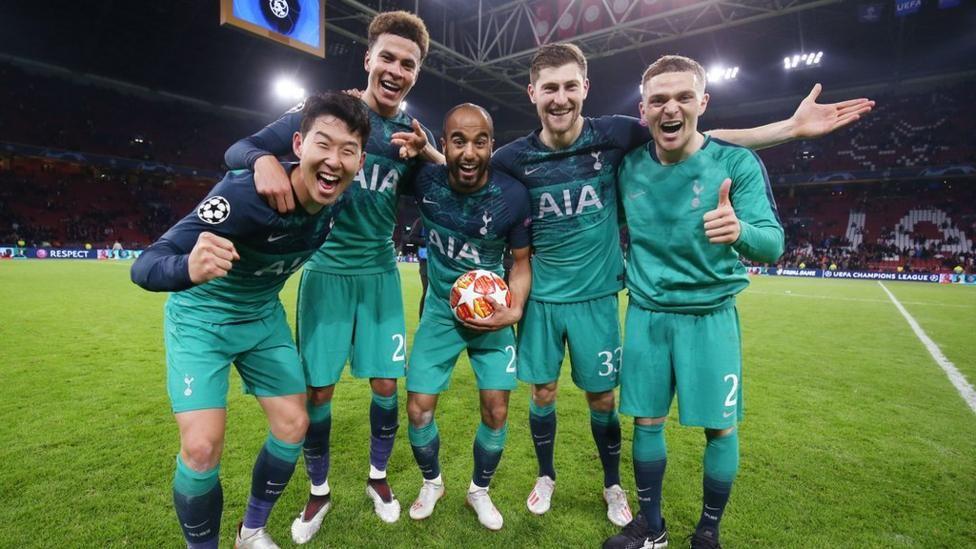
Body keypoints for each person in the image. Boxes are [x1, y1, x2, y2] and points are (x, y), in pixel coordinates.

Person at [490, 42, 872, 526]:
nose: (560, 97)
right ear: (532, 93)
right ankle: (568, 486)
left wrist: (789, 130)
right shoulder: (524, 159)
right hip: (568, 302)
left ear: (585, 89)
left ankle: (629, 494)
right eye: (550, 88)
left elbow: (704, 140)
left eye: (570, 86)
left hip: (615, 300)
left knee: (622, 404)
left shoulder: (614, 137)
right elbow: (468, 167)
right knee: (558, 397)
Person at [222, 10, 440, 541]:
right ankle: (317, 492)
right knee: (318, 393)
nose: (395, 69)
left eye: (407, 64)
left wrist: (429, 154)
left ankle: (379, 478)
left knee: (386, 384)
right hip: (325, 273)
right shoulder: (329, 114)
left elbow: (454, 187)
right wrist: (261, 162)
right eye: (387, 57)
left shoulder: (412, 135)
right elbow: (238, 148)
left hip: (381, 275)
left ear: (416, 73)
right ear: (368, 59)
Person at [131, 92, 368, 549]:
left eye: (348, 151)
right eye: (324, 144)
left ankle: (251, 530)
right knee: (201, 449)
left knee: (293, 425)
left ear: (359, 161)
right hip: (202, 319)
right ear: (298, 145)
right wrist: (188, 268)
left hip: (261, 318)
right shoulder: (243, 195)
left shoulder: (338, 201)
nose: (335, 161)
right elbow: (145, 264)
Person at [604, 55, 785, 549]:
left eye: (684, 97)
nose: (671, 108)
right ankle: (652, 527)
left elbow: (772, 242)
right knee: (646, 421)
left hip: (710, 316)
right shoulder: (628, 169)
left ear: (702, 103)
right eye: (659, 99)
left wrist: (740, 231)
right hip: (647, 314)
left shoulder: (735, 164)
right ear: (643, 111)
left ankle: (708, 530)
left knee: (720, 430)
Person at [404, 104, 531, 531]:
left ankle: (479, 489)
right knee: (419, 409)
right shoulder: (423, 179)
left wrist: (513, 309)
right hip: (441, 313)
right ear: (444, 144)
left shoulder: (512, 195)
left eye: (480, 141)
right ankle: (432, 481)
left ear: (492, 144)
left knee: (496, 410)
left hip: (492, 316)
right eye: (459, 140)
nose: (470, 151)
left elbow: (521, 263)